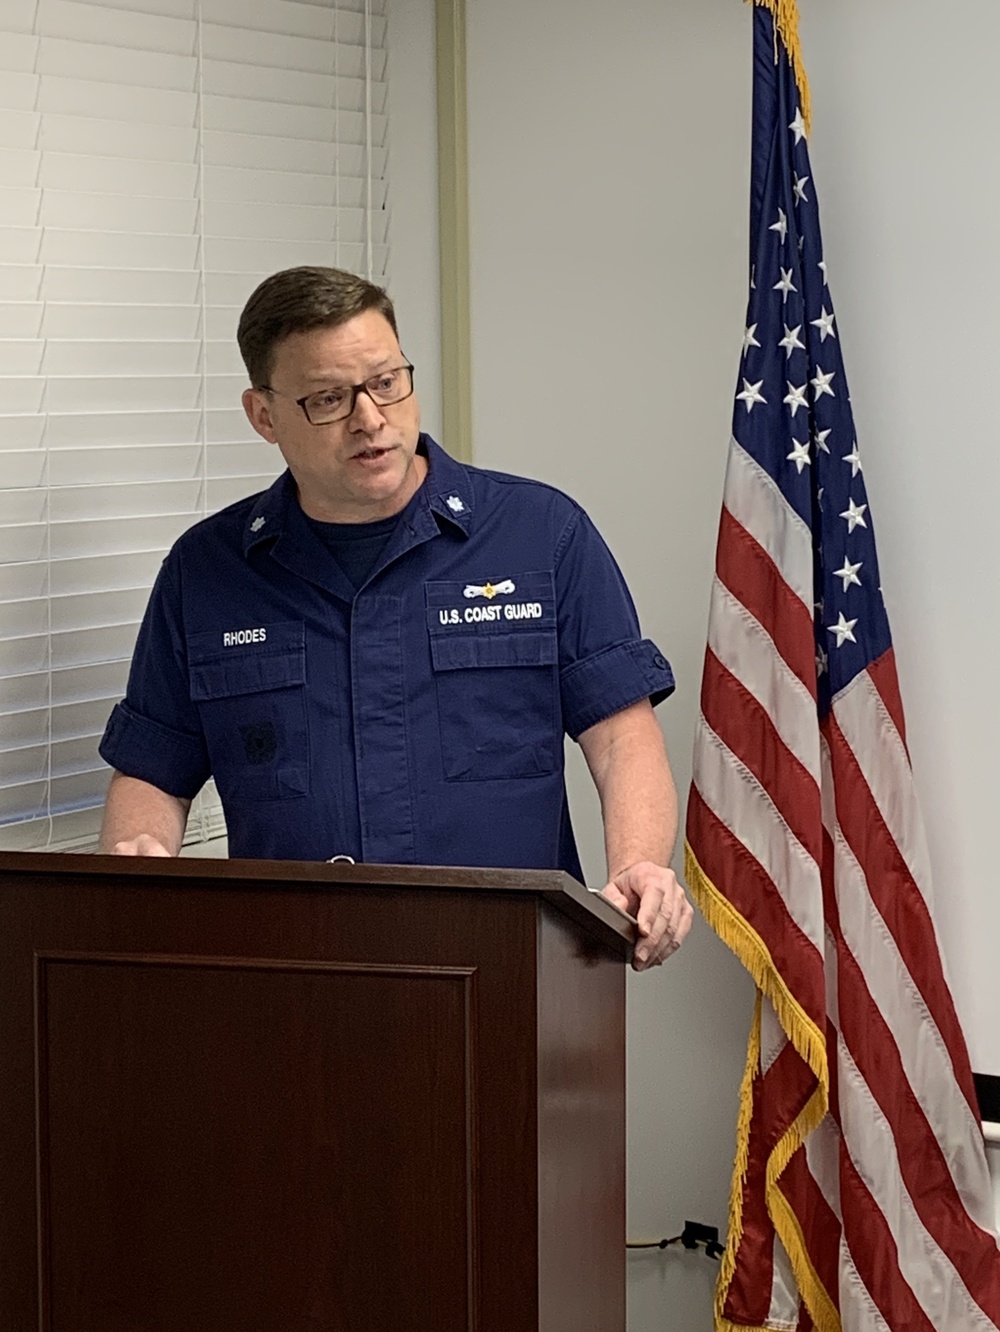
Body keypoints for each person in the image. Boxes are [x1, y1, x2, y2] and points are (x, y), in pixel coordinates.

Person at [98, 266, 693, 970]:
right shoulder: (207, 570)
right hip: (287, 973)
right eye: (327, 399)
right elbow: (154, 768)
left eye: (386, 382)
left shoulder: (542, 534)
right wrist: (137, 864)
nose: (371, 420)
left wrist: (639, 864)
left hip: (511, 969)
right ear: (264, 415)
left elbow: (621, 736)